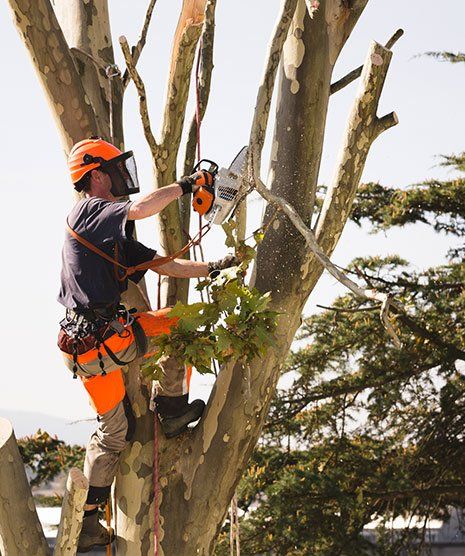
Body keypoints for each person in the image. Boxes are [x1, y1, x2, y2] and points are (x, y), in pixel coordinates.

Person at [57, 137, 238, 552]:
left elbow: (164, 263)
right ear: (97, 175)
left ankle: (86, 522)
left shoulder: (107, 233)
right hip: (103, 339)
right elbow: (139, 208)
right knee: (179, 325)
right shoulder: (90, 212)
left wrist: (214, 268)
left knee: (114, 432)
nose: (123, 179)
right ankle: (172, 408)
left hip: (84, 348)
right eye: (116, 171)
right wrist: (187, 185)